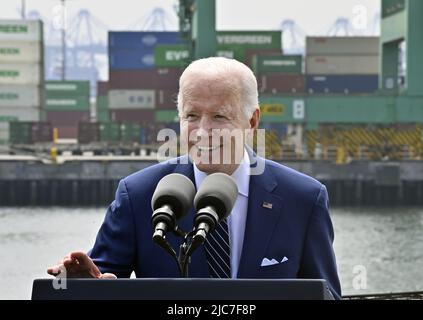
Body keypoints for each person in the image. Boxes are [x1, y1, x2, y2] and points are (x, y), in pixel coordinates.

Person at [47, 57, 342, 299]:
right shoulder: (138, 195)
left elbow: (327, 295)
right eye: (191, 116)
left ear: (252, 121)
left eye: (219, 117)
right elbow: (100, 280)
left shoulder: (303, 199)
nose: (203, 132)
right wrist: (84, 287)